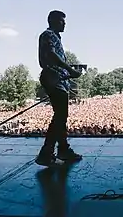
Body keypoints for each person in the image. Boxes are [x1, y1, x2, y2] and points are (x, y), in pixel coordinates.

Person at [35, 10, 83, 166]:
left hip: (57, 79)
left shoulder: (54, 37)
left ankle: (63, 149)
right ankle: (46, 153)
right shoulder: (48, 35)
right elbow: (52, 55)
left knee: (61, 116)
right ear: (53, 21)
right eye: (62, 21)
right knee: (60, 116)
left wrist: (70, 72)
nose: (64, 24)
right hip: (53, 78)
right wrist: (70, 70)